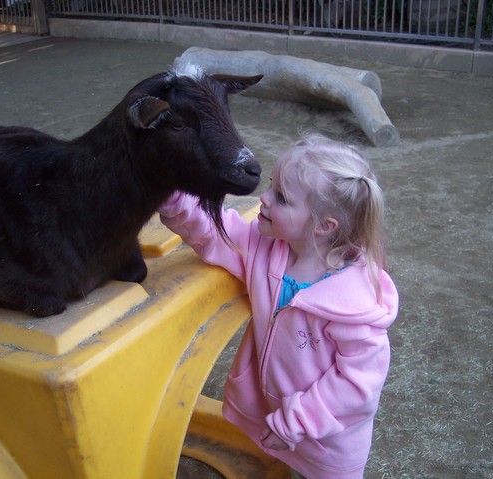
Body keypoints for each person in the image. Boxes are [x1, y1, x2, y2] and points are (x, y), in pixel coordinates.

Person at [159, 133, 399, 478]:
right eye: (271, 186)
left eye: (281, 197)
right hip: (272, 420)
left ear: (324, 226)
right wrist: (170, 193)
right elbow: (216, 230)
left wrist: (295, 421)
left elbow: (357, 383)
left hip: (327, 445)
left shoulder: (356, 303)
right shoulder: (265, 248)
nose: (263, 199)